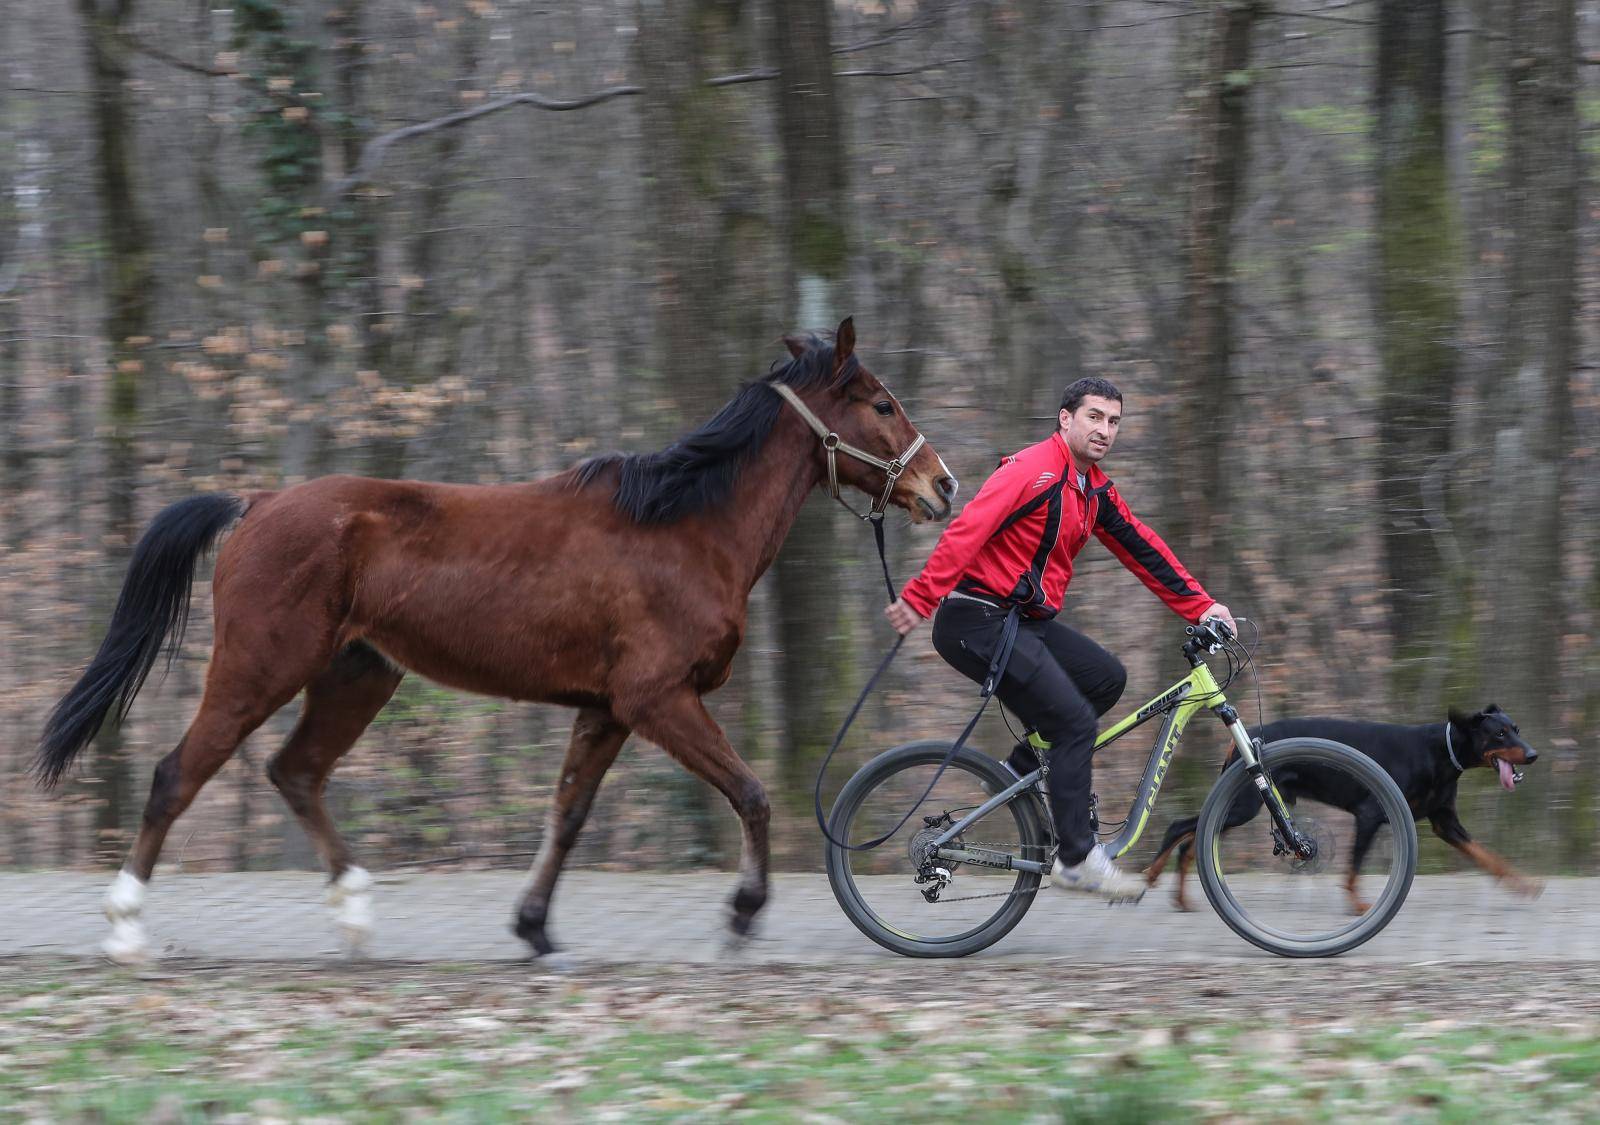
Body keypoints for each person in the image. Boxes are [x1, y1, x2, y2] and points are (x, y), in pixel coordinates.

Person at [885, 377, 1234, 902]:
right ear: (1065, 419)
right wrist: (920, 595)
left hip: (1022, 621)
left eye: (1114, 421)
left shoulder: (1092, 490)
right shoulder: (1031, 470)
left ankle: (1019, 772)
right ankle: (1077, 860)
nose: (1105, 430)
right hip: (975, 619)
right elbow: (968, 529)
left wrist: (1202, 604)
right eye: (1094, 417)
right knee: (1073, 722)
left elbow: (1143, 547)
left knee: (1105, 679)